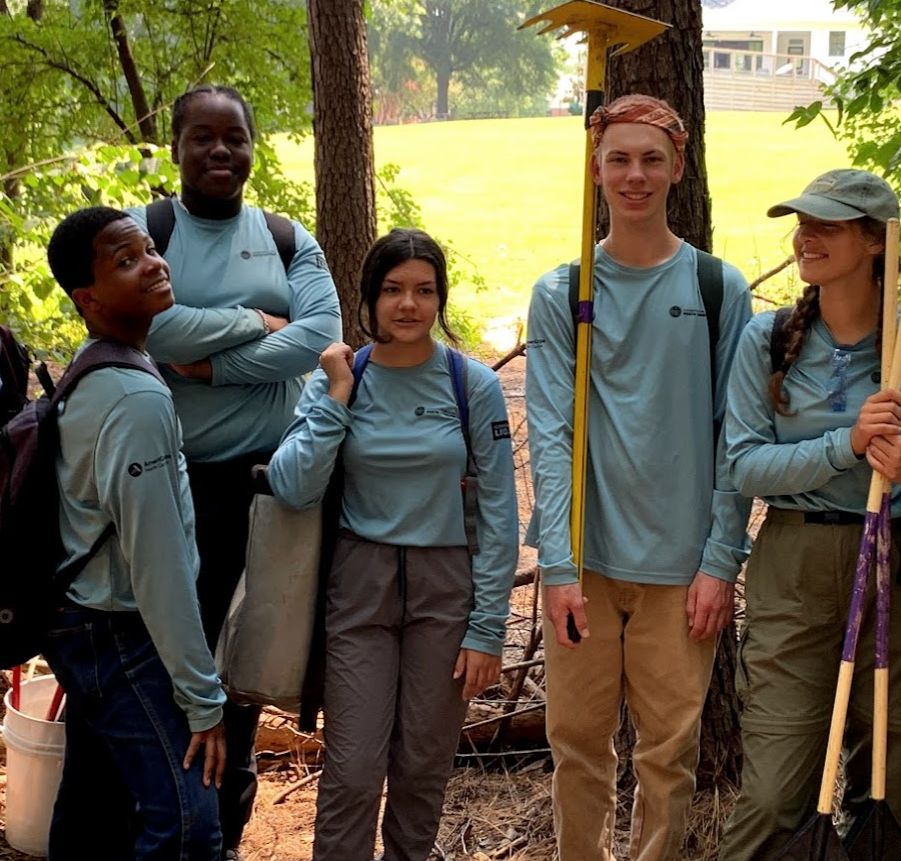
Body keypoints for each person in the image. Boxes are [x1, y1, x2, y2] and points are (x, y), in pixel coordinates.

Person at [524, 93, 753, 861]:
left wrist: (720, 561)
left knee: (668, 757)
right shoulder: (563, 292)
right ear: (595, 169)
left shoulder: (720, 289)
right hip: (586, 564)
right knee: (577, 748)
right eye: (618, 158)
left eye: (652, 158)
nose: (635, 174)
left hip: (681, 569)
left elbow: (736, 437)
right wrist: (557, 566)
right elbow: (551, 432)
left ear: (678, 166)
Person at [717, 169, 901, 859]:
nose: (805, 236)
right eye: (802, 223)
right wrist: (846, 443)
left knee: (884, 791)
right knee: (773, 798)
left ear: (875, 241)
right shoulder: (766, 342)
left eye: (825, 224)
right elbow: (743, 466)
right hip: (794, 571)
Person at [129, 84, 342, 856]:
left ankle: (223, 833)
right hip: (165, 488)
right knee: (163, 673)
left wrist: (209, 367)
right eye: (203, 137)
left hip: (263, 494)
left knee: (244, 678)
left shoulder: (287, 239)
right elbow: (147, 324)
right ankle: (166, 827)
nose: (221, 151)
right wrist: (255, 321)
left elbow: (322, 331)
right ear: (177, 146)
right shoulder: (146, 231)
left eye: (236, 138)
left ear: (254, 146)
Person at [267, 228, 519, 861]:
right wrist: (339, 395)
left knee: (422, 768)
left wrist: (488, 629)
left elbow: (498, 512)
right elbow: (293, 486)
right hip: (360, 585)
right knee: (352, 769)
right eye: (393, 290)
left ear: (440, 299)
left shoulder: (471, 386)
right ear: (369, 297)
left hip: (447, 591)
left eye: (424, 291)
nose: (408, 305)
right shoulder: (339, 376)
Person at [41, 206, 227, 861]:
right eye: (126, 260)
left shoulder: (97, 365)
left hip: (83, 620)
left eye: (149, 249)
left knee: (93, 810)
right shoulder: (134, 399)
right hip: (122, 634)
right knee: (186, 825)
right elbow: (159, 564)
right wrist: (203, 697)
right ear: (88, 298)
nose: (153, 263)